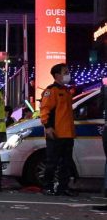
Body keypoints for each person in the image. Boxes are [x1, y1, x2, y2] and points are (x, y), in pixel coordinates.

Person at [39, 63, 77, 196]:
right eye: (65, 72)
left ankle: (63, 187)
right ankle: (47, 187)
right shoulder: (51, 91)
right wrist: (48, 127)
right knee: (52, 163)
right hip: (56, 133)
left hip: (68, 134)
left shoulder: (66, 91)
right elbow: (44, 110)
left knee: (66, 164)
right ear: (57, 75)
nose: (68, 74)